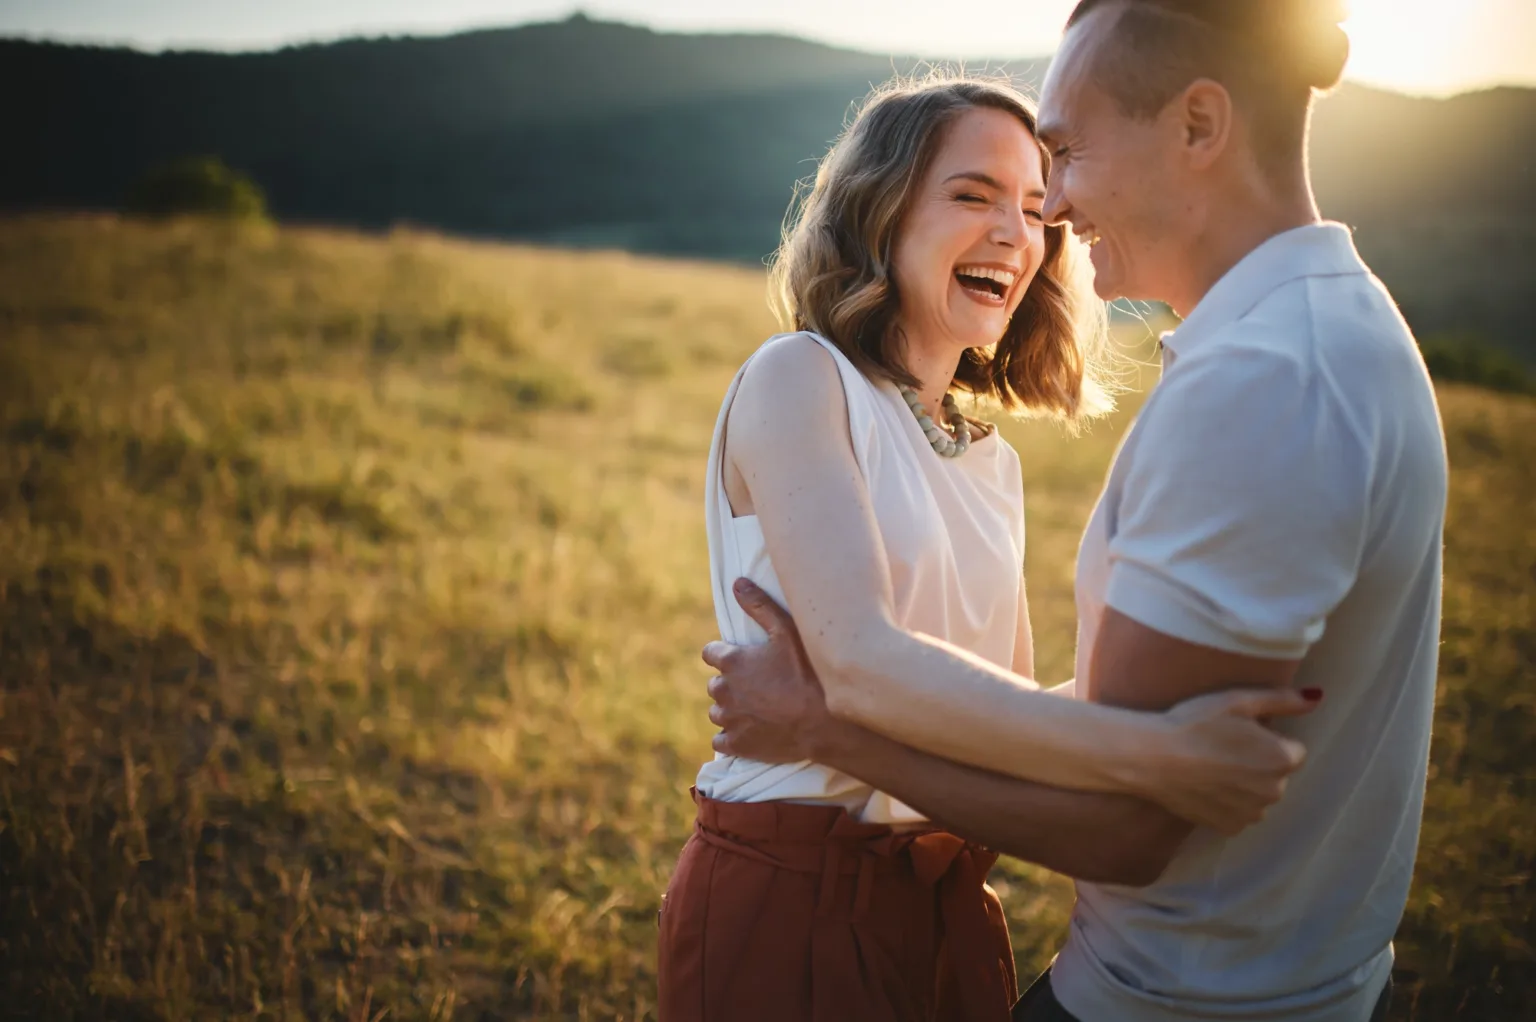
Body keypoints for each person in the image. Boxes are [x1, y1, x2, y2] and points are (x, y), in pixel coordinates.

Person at [703, 3, 1449, 1022]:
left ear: (1198, 126)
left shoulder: (994, 455)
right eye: (977, 192)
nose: (1040, 216)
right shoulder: (802, 376)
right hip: (800, 887)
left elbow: (1007, 712)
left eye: (1049, 172)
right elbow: (860, 656)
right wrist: (1159, 752)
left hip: (949, 889)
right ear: (882, 211)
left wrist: (1127, 746)